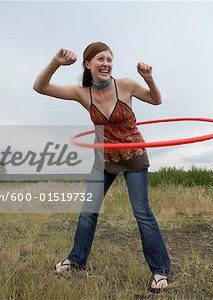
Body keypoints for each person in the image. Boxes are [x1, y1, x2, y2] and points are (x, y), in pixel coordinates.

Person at [33, 42, 170, 293]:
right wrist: (55, 62)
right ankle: (76, 261)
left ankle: (160, 270)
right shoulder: (82, 93)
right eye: (100, 59)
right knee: (88, 211)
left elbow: (156, 100)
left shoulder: (126, 85)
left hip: (133, 156)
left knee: (142, 212)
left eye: (109, 59)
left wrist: (149, 79)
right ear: (88, 64)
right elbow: (39, 87)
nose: (106, 64)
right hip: (104, 161)